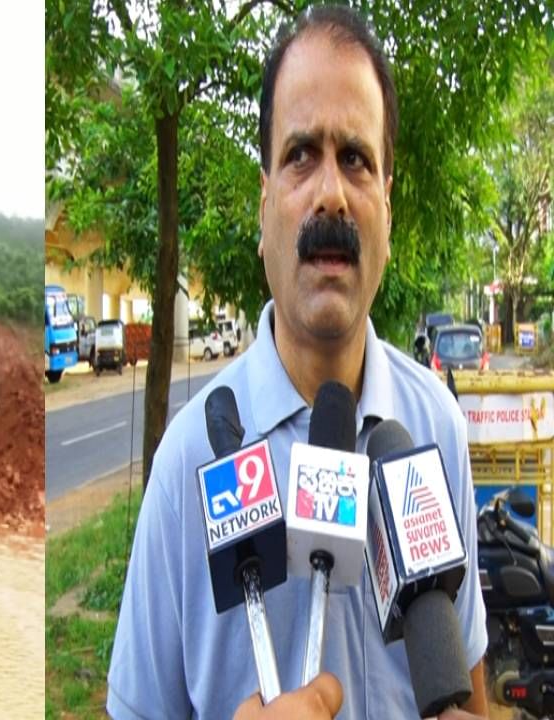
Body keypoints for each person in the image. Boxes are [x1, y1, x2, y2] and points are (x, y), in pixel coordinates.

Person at [105, 6, 488, 719]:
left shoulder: (436, 424)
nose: (331, 192)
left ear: (388, 209)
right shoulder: (188, 462)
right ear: (264, 207)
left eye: (357, 159)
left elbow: (468, 671)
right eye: (301, 155)